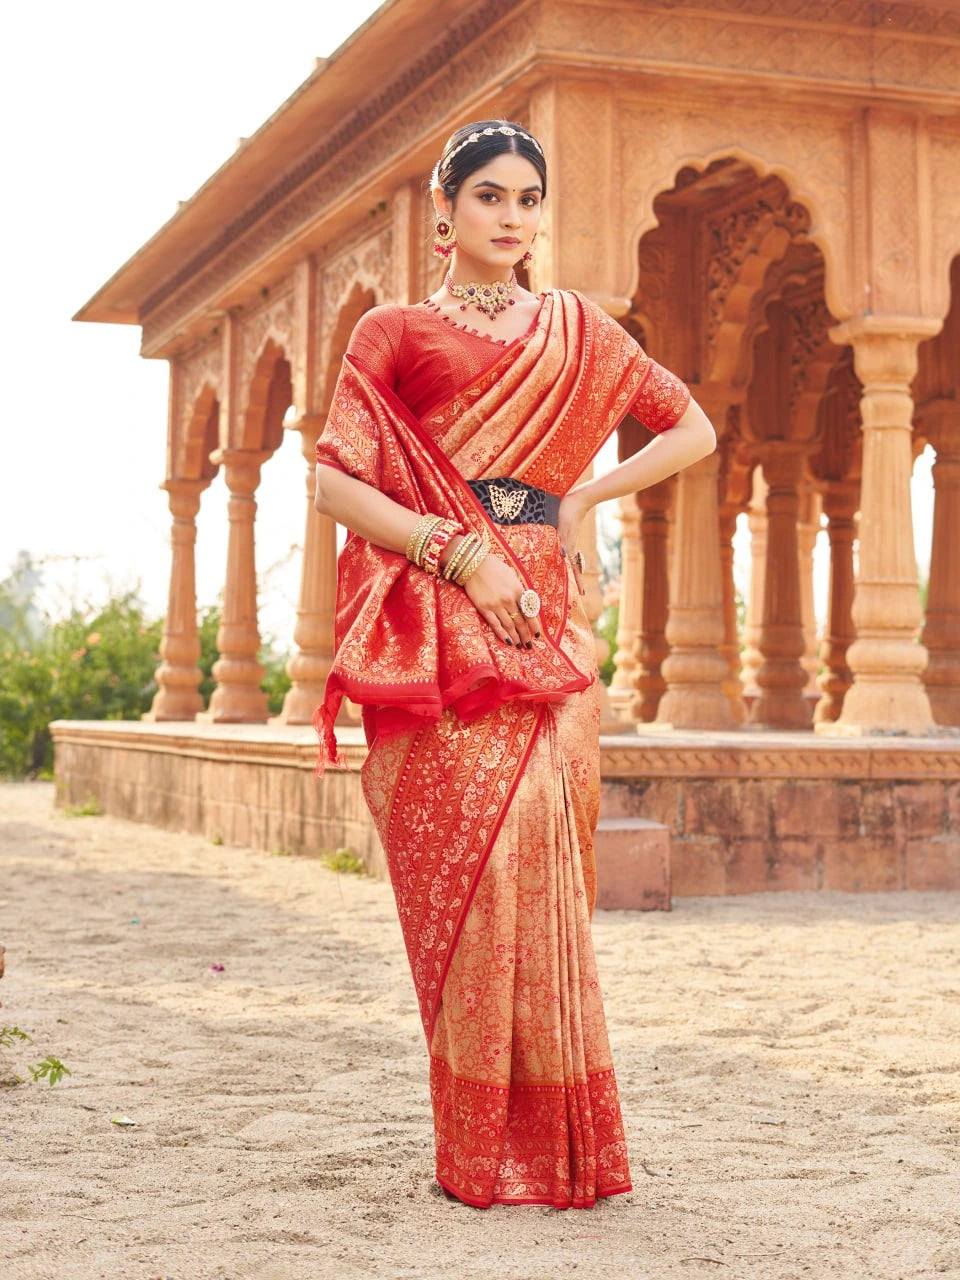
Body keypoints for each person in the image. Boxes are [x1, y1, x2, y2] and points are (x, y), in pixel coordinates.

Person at [313, 119, 716, 1209]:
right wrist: (454, 552)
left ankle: (562, 1146)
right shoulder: (393, 330)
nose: (510, 217)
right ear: (444, 209)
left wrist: (582, 495)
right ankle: (481, 1146)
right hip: (438, 616)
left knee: (541, 858)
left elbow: (693, 429)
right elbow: (338, 484)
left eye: (528, 199)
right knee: (473, 875)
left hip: (542, 607)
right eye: (488, 196)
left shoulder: (581, 330)